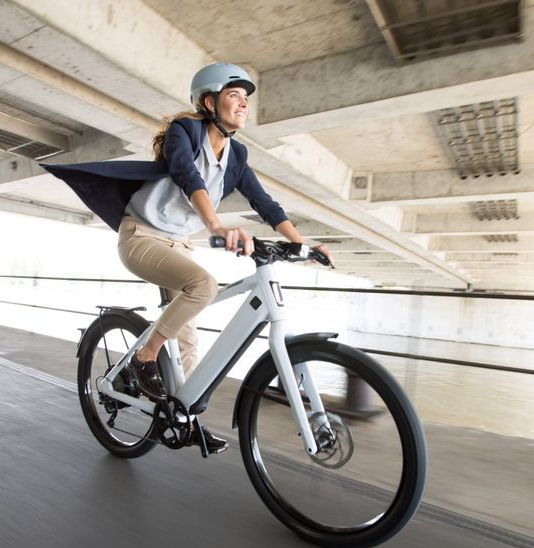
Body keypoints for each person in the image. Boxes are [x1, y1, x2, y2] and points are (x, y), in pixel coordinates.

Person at [44, 63, 332, 452]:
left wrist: (304, 244)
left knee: (189, 340)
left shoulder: (237, 154)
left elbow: (265, 203)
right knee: (204, 286)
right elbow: (185, 174)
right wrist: (214, 225)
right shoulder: (187, 131)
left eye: (247, 99)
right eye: (235, 96)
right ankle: (144, 358)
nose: (244, 104)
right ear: (209, 101)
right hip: (142, 236)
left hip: (178, 244)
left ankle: (185, 418)